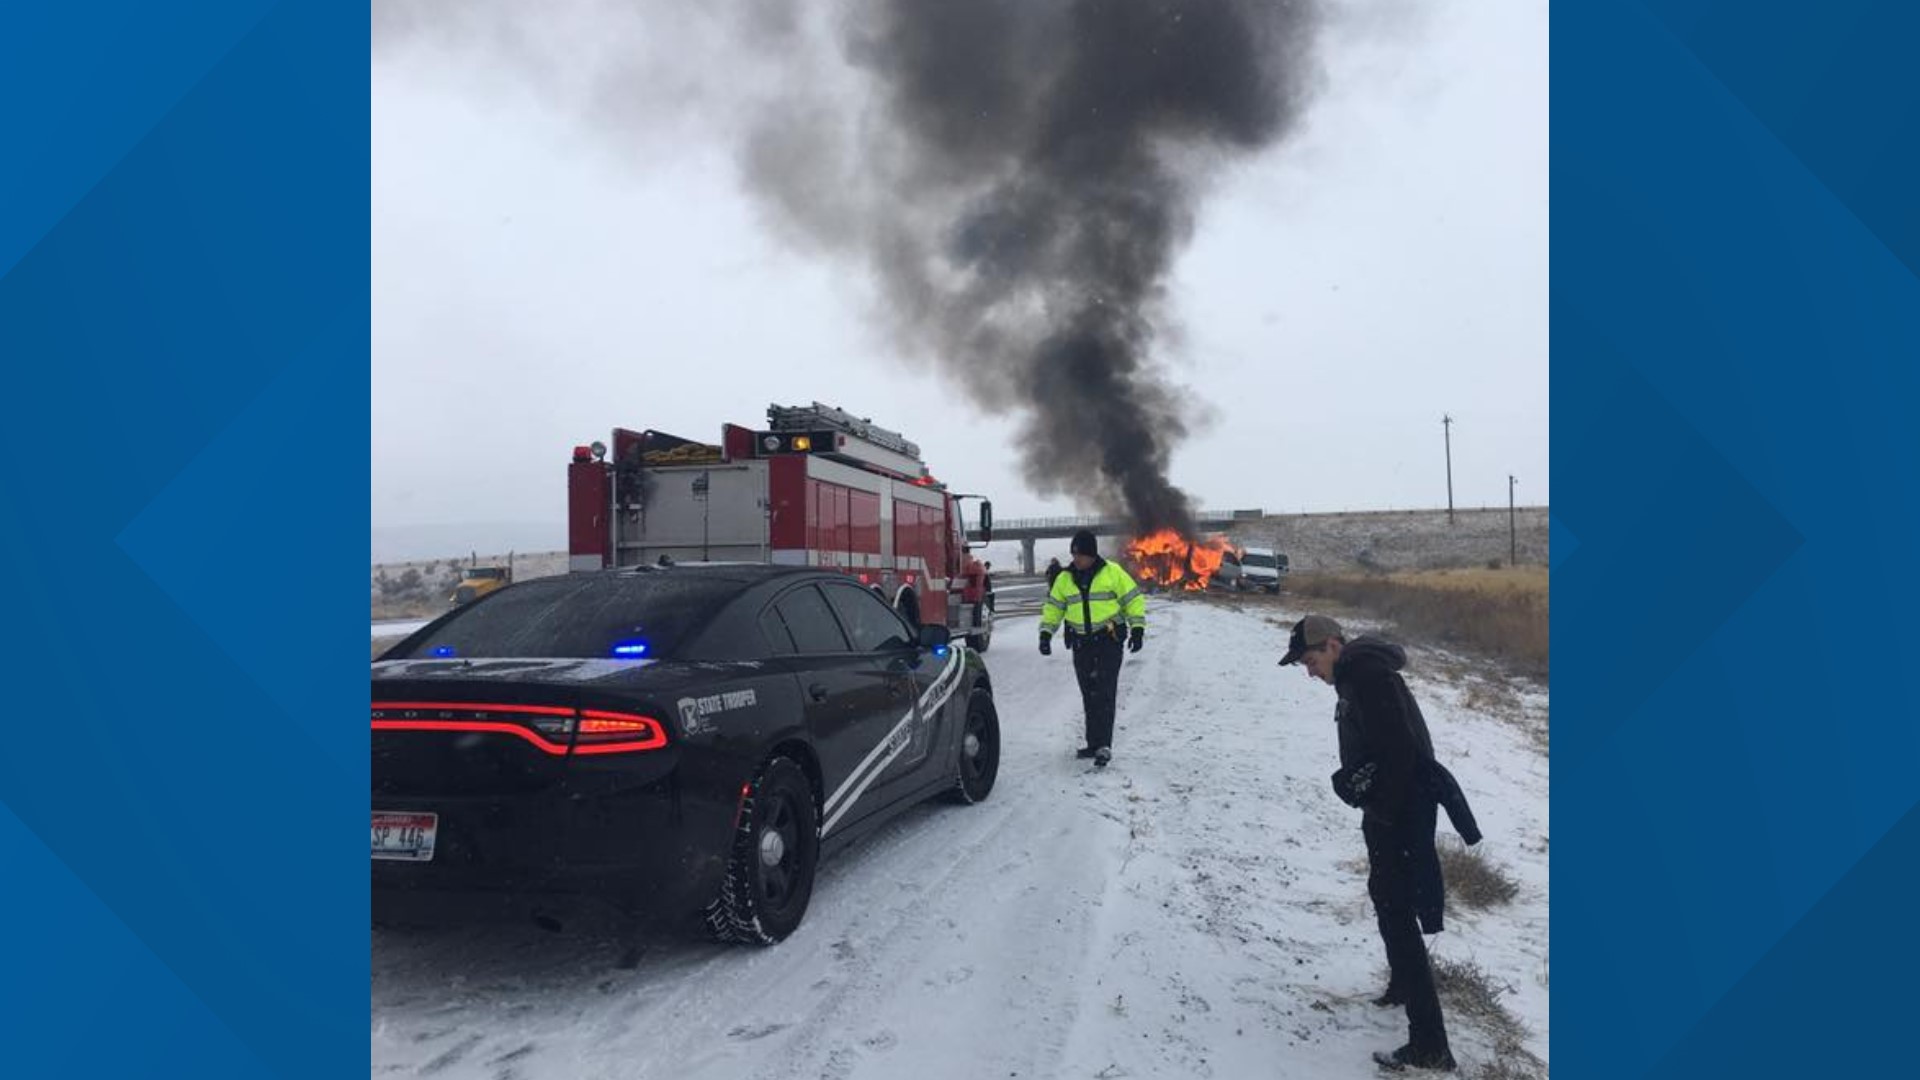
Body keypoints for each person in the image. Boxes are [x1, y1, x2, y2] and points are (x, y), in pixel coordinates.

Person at [1280, 614, 1459, 1073]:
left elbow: (1400, 753)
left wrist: (1381, 808)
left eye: (1311, 659)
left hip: (1401, 812)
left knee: (1399, 912)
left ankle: (1430, 1045)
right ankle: (1402, 984)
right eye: (1304, 662)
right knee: (1386, 898)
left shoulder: (1369, 677)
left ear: (1334, 645)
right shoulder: (1358, 675)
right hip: (1392, 809)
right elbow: (1386, 751)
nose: (1310, 670)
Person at [1039, 531, 1145, 768]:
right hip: (1081, 643)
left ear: (1092, 554)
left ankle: (1104, 745)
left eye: (1082, 554)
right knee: (1089, 693)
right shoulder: (1064, 579)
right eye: (1074, 554)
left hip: (1108, 640)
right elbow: (1054, 607)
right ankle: (1093, 743)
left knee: (1105, 692)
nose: (1077, 559)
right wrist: (1046, 633)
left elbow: (1133, 600)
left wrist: (1137, 628)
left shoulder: (1113, 572)